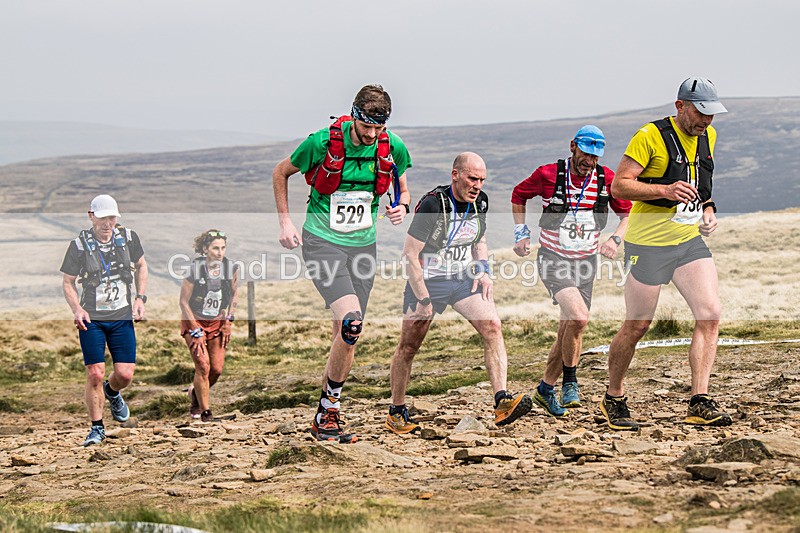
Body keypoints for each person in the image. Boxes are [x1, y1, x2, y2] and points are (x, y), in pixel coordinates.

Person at [272, 84, 412, 443]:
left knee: (345, 334)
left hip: (363, 247)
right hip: (321, 241)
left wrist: (401, 205)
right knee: (352, 325)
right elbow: (280, 172)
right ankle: (329, 412)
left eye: (378, 129)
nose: (370, 135)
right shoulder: (320, 142)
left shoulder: (391, 145)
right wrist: (285, 223)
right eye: (365, 127)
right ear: (353, 114)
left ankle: (323, 418)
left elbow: (403, 186)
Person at [600, 77, 731, 430]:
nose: (706, 121)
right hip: (647, 244)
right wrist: (665, 190)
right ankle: (613, 396)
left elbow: (702, 188)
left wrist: (708, 210)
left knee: (710, 313)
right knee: (638, 325)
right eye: (701, 113)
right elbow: (620, 185)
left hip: (687, 242)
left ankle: (699, 399)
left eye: (712, 114)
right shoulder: (650, 136)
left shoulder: (709, 137)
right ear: (680, 106)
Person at [385, 152, 532, 435]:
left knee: (492, 326)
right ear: (455, 175)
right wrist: (424, 298)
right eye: (472, 178)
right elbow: (410, 255)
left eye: (482, 180)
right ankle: (397, 412)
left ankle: (502, 401)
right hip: (428, 280)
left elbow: (479, 239)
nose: (477, 185)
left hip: (463, 278)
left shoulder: (481, 202)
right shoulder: (432, 205)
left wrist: (484, 271)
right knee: (409, 347)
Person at [511, 126, 632, 417]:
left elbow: (628, 213)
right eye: (585, 155)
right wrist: (521, 233)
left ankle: (544, 390)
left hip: (586, 263)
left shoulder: (606, 180)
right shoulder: (549, 174)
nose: (589, 162)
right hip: (554, 259)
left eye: (595, 157)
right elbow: (518, 195)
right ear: (573, 147)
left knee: (569, 327)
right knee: (578, 318)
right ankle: (570, 383)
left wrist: (615, 238)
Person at [60, 194, 148, 446]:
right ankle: (97, 428)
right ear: (91, 217)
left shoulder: (129, 239)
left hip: (121, 317)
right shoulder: (78, 246)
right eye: (102, 218)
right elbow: (68, 281)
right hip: (92, 319)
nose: (108, 223)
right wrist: (77, 309)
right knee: (95, 373)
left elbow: (142, 265)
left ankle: (112, 392)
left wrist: (140, 298)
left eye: (112, 218)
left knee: (125, 374)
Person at [179, 230, 239, 423]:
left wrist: (228, 320)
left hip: (218, 322)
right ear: (205, 249)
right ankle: (205, 412)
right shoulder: (194, 270)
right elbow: (183, 302)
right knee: (203, 366)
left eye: (223, 248)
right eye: (215, 248)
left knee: (216, 369)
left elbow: (235, 294)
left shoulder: (230, 267)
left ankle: (194, 392)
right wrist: (195, 331)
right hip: (194, 321)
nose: (220, 252)